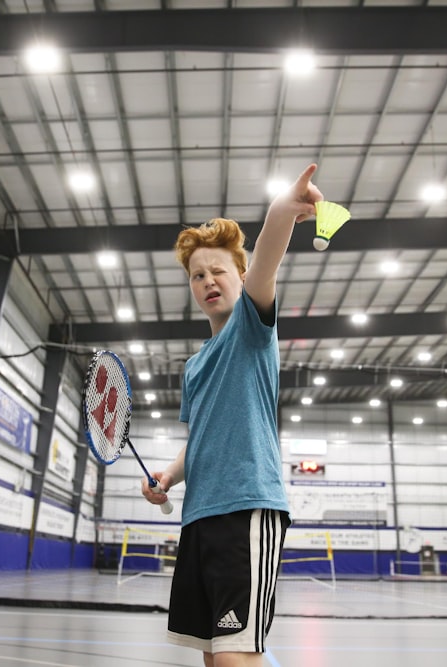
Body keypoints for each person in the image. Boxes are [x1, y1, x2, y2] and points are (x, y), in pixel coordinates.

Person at [141, 164, 323, 666]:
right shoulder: (196, 364)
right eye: (197, 275)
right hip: (199, 516)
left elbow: (266, 263)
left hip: (246, 508)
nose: (208, 280)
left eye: (218, 270)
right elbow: (198, 436)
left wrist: (281, 214)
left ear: (238, 276)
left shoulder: (251, 327)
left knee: (235, 655)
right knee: (212, 653)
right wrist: (169, 475)